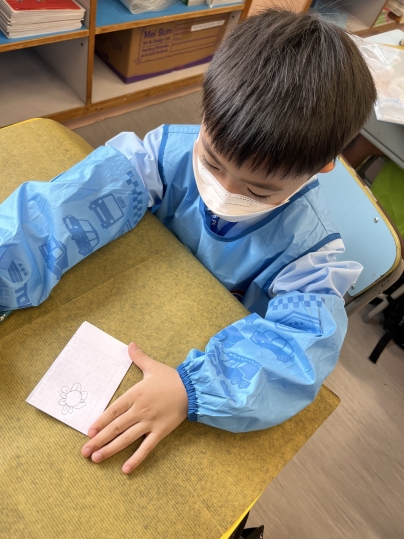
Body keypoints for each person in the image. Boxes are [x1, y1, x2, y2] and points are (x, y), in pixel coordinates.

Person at [0, 8, 376, 473]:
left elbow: (302, 349)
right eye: (212, 162)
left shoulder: (310, 253)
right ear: (204, 113)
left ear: (321, 167)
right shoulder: (166, 154)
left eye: (259, 191)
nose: (224, 192)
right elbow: (64, 206)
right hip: (142, 297)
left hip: (196, 341)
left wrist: (191, 389)